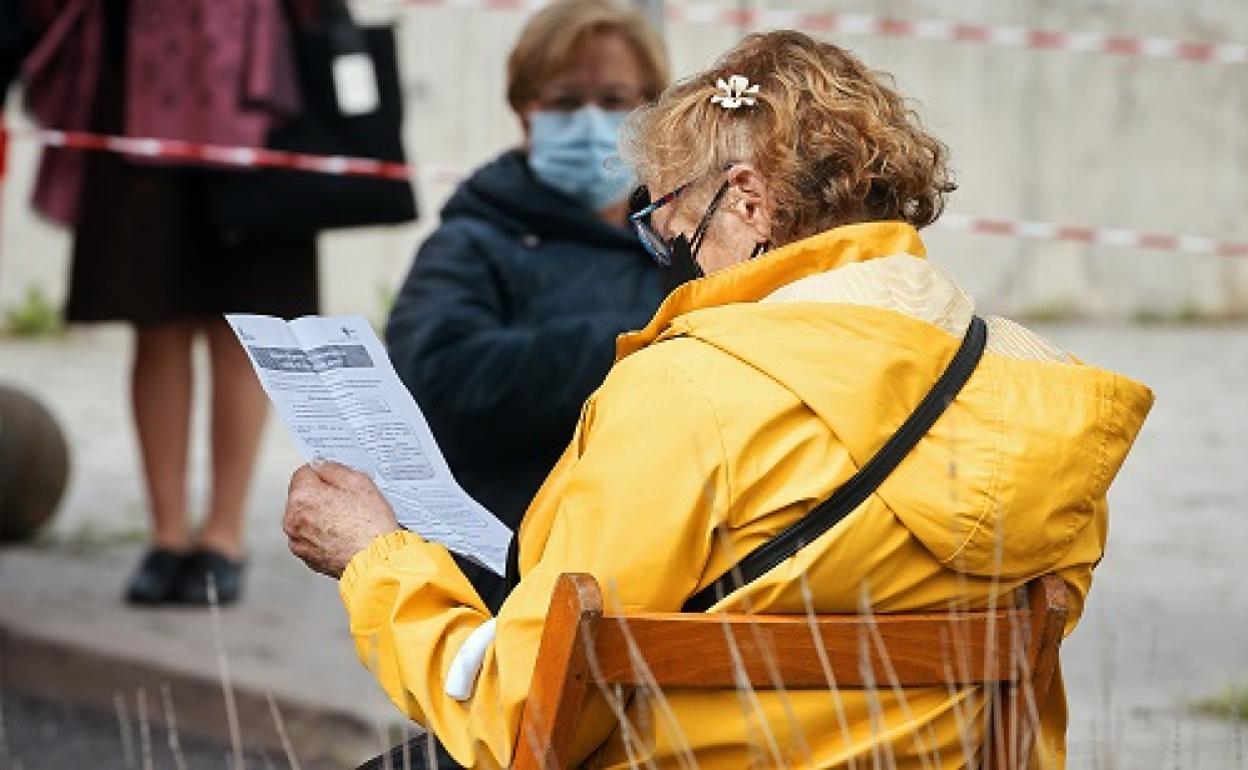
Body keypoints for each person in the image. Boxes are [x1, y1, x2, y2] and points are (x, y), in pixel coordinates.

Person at [283, 31, 1154, 768]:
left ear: (749, 202)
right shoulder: (1043, 386)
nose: (677, 257)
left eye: (676, 226)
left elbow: (519, 714)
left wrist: (376, 556)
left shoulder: (688, 390)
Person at [21, 0, 319, 604]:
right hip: (136, 83)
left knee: (243, 324)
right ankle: (166, 536)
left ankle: (224, 537)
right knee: (154, 315)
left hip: (262, 90)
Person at [384, 0, 668, 612]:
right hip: (507, 580)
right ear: (524, 109)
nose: (592, 122)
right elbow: (435, 386)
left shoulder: (688, 239)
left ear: (652, 109)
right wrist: (642, 346)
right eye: (566, 103)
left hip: (657, 579)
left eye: (616, 100)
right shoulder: (473, 240)